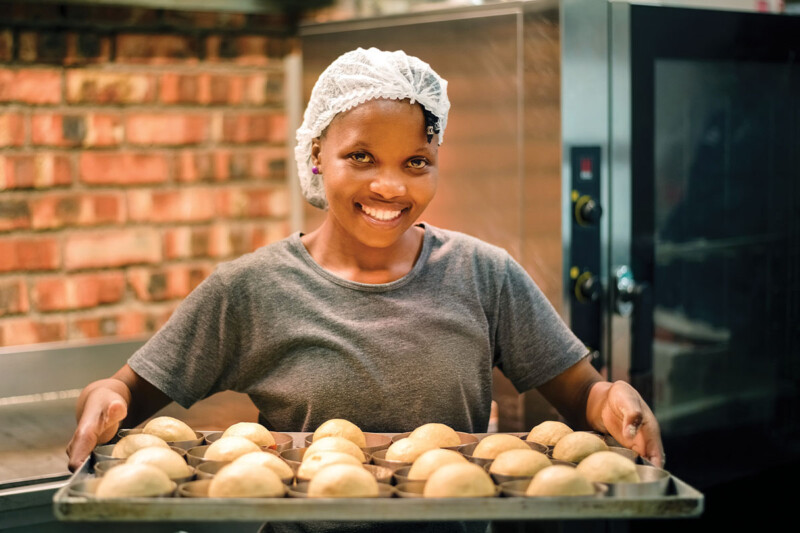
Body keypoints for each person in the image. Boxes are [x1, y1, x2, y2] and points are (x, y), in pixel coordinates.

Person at [66, 47, 663, 531]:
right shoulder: (251, 288)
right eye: (361, 156)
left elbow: (582, 395)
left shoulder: (484, 274)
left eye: (416, 161)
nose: (390, 186)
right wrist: (106, 395)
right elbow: (126, 394)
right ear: (317, 155)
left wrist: (612, 401)